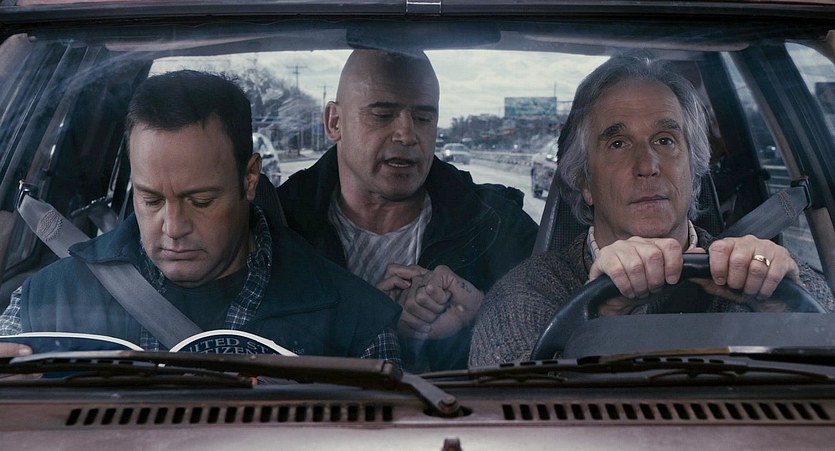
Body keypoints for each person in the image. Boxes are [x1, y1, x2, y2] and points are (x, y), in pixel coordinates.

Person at [0, 70, 401, 362]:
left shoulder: (355, 325)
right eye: (151, 200)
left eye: (201, 200)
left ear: (249, 178)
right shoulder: (42, 304)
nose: (173, 228)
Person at [469, 53, 835, 366]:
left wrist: (790, 314)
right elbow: (509, 411)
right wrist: (599, 322)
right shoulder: (525, 296)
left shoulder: (767, 274)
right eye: (618, 143)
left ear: (694, 168)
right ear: (584, 181)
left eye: (665, 140)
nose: (647, 165)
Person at [278, 50, 538, 371]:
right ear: (335, 122)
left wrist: (479, 314)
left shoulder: (498, 225)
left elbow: (563, 338)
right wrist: (368, 319)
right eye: (382, 115)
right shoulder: (276, 225)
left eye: (423, 118)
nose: (407, 134)